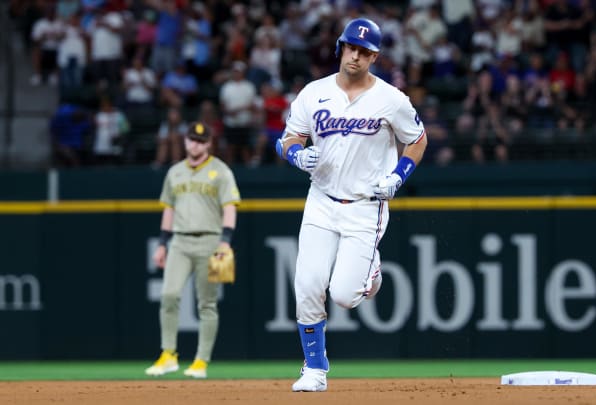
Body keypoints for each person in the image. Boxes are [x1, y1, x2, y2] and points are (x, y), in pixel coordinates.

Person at [275, 18, 427, 392]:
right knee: (308, 283)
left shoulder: (392, 99)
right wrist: (296, 155)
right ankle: (314, 369)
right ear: (340, 47)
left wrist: (399, 175)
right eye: (350, 47)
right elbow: (288, 137)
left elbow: (418, 139)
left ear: (374, 56)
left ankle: (371, 270)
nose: (355, 56)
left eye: (364, 51)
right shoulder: (314, 92)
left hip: (364, 205)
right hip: (322, 200)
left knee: (344, 295)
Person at [144, 122, 241, 379]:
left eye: (200, 140)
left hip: (211, 242)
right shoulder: (175, 172)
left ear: (209, 143)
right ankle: (168, 355)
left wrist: (225, 242)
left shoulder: (221, 171)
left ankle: (201, 361)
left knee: (207, 303)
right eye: (191, 139)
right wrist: (162, 243)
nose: (195, 144)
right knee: (169, 295)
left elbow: (230, 207)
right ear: (185, 141)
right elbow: (169, 209)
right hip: (179, 242)